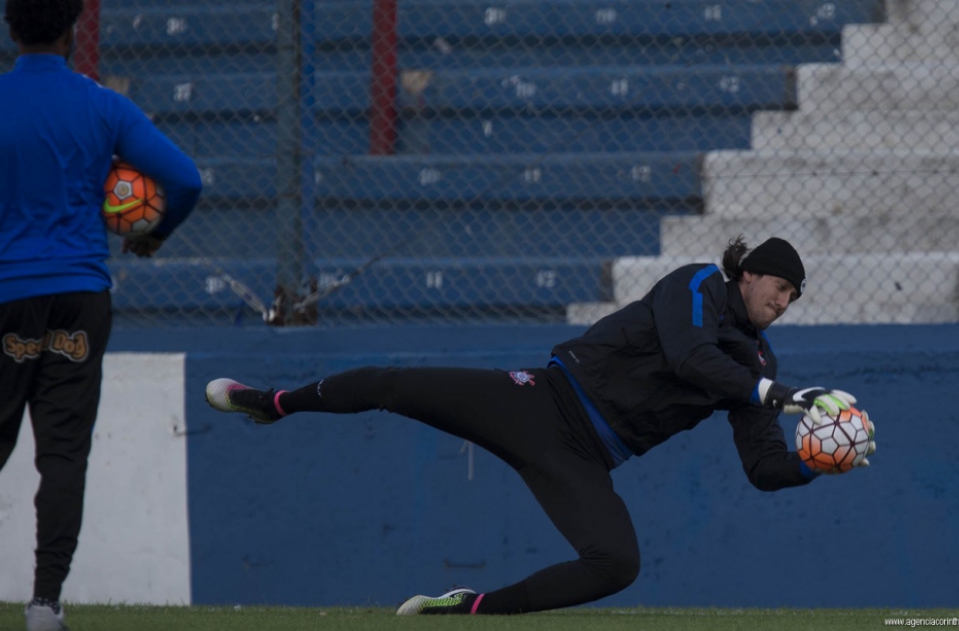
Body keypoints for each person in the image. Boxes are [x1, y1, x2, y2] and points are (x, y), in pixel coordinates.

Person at [205, 236, 876, 615]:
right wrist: (779, 392)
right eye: (778, 287)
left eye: (791, 297)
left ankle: (468, 606)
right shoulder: (698, 282)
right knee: (394, 384)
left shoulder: (758, 362)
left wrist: (810, 463)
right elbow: (688, 355)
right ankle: (272, 402)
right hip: (541, 401)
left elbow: (761, 467)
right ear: (749, 272)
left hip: (583, 459)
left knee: (617, 564)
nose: (782, 302)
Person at [0, 1, 203, 629]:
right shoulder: (101, 104)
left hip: (6, 292)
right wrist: (152, 233)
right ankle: (43, 604)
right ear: (72, 30)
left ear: (9, 28)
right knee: (62, 453)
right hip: (81, 295)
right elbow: (185, 180)